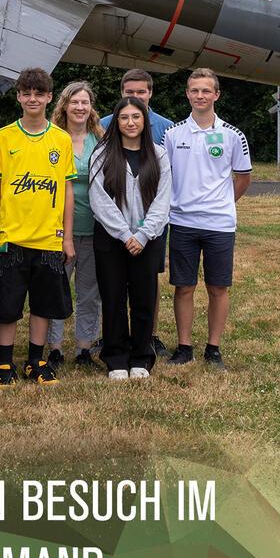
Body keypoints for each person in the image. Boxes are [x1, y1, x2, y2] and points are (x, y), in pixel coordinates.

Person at [0, 67, 75, 387]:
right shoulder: (5, 136)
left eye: (39, 93)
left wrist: (67, 236)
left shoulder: (61, 140)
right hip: (12, 236)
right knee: (7, 304)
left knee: (43, 303)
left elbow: (67, 191)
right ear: (19, 96)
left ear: (50, 97)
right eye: (27, 93)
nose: (32, 99)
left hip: (49, 238)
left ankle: (36, 360)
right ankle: (5, 363)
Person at [163, 69, 252, 371]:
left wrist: (222, 203)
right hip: (183, 223)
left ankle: (213, 349)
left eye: (205, 90)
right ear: (187, 94)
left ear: (216, 95)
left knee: (218, 288)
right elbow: (167, 176)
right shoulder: (173, 135)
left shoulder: (232, 135)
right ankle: (184, 346)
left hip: (219, 225)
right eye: (194, 90)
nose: (199, 96)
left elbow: (243, 177)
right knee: (184, 287)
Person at [88, 97, 172, 381]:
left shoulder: (158, 155)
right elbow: (99, 200)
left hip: (148, 239)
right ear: (116, 122)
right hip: (112, 239)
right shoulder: (102, 155)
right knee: (112, 297)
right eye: (124, 118)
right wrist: (125, 234)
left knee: (143, 298)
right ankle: (116, 358)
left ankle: (141, 358)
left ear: (144, 121)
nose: (130, 123)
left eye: (136, 117)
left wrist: (144, 234)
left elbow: (163, 200)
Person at [46, 81, 104, 370]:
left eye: (85, 102)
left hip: (94, 227)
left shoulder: (101, 138)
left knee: (89, 292)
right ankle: (54, 348)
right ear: (64, 105)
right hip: (58, 230)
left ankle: (84, 348)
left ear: (91, 107)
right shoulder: (52, 137)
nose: (80, 107)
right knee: (57, 289)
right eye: (74, 102)